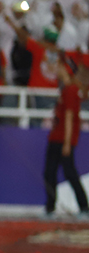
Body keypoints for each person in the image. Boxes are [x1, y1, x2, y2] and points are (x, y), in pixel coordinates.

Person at [45, 54, 88, 216]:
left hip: (62, 138)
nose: (58, 69)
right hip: (58, 137)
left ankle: (82, 207)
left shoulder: (70, 90)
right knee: (52, 172)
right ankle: (51, 207)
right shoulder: (66, 89)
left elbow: (70, 117)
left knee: (67, 173)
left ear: (67, 69)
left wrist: (68, 143)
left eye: (61, 66)